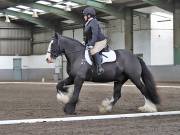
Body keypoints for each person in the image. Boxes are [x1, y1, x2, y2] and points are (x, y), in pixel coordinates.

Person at [83, 7, 107, 75]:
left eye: (85, 15)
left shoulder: (94, 22)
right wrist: (85, 42)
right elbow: (88, 35)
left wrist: (91, 44)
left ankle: (100, 68)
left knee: (93, 51)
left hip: (100, 41)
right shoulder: (87, 23)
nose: (84, 17)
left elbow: (95, 34)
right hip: (94, 40)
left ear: (89, 15)